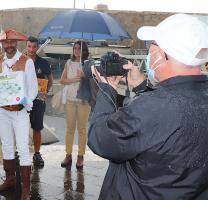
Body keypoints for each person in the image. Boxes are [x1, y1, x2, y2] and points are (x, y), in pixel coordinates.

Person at [88, 14, 208, 199]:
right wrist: (143, 87)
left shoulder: (152, 108)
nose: (150, 51)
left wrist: (106, 89)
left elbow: (101, 139)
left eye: (152, 44)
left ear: (161, 55)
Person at [0, 29, 38, 200]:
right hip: (2, 111)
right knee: (7, 145)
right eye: (6, 42)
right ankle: (9, 180)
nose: (9, 45)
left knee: (23, 148)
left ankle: (26, 188)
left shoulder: (27, 62)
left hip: (20, 111)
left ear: (16, 42)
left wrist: (23, 104)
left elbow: (33, 89)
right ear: (2, 43)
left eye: (11, 42)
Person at [60, 41, 90, 169]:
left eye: (79, 49)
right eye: (75, 48)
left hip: (84, 101)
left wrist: (85, 76)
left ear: (84, 51)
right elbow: (62, 80)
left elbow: (94, 81)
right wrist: (76, 79)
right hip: (70, 100)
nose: (76, 51)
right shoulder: (69, 63)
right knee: (70, 129)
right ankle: (68, 155)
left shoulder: (88, 64)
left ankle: (81, 156)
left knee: (82, 129)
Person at [25, 36, 53, 167]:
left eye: (34, 47)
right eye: (29, 46)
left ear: (37, 47)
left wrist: (45, 92)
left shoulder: (43, 63)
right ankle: (21, 153)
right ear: (26, 46)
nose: (31, 49)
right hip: (22, 101)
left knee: (37, 128)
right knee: (21, 128)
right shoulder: (20, 61)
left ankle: (37, 154)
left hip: (38, 101)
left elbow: (50, 80)